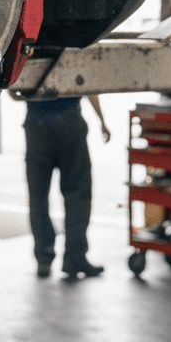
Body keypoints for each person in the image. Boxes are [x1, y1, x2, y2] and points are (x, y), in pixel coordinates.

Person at [12, 93, 111, 280]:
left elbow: (10, 86)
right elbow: (89, 84)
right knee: (77, 192)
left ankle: (43, 258)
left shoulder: (27, 60)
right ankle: (75, 258)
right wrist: (102, 120)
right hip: (69, 121)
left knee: (38, 195)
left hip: (36, 123)